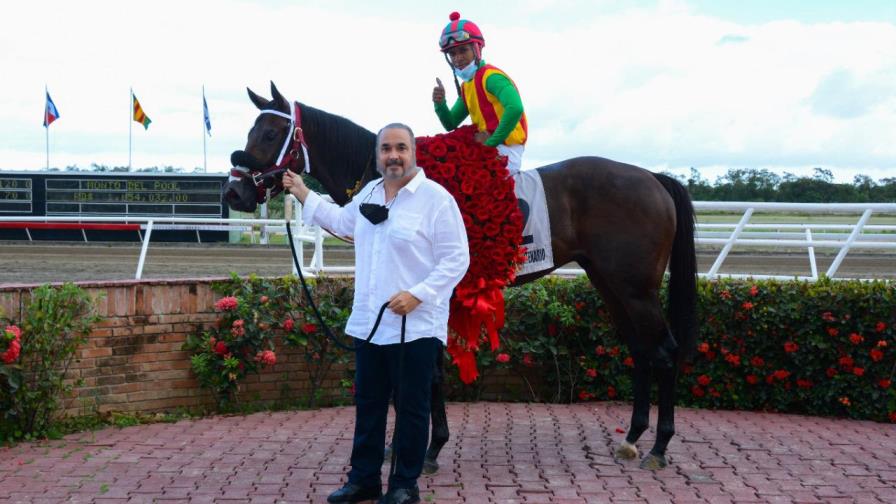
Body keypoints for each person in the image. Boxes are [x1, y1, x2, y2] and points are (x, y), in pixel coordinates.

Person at [283, 123, 470, 504]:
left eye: (401, 148)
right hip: (369, 324)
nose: (393, 155)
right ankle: (364, 479)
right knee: (368, 407)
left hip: (414, 327)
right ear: (377, 154)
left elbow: (457, 259)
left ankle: (404, 486)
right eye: (386, 149)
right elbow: (341, 222)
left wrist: (418, 294)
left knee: (412, 410)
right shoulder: (369, 192)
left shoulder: (436, 200)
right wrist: (303, 192)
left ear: (413, 153)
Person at [432, 11, 528, 174]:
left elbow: (515, 108)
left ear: (477, 50)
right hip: (488, 146)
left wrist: (490, 143)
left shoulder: (491, 77)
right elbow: (451, 124)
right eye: (453, 54)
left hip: (507, 149)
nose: (457, 58)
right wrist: (440, 104)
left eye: (463, 51)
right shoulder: (467, 85)